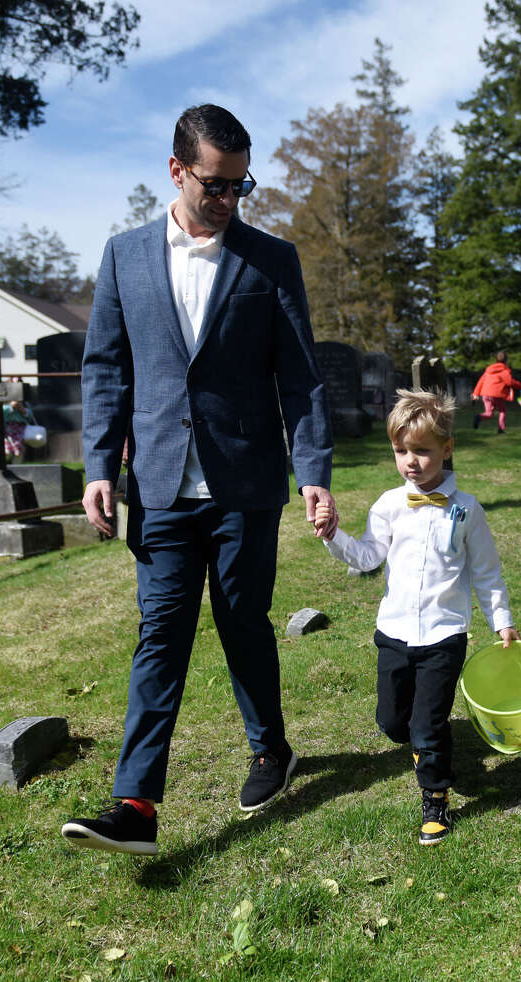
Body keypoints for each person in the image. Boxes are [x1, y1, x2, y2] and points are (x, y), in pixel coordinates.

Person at [61, 104, 337, 856]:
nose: (228, 202)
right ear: (177, 171)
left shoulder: (270, 260)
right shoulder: (124, 256)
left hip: (243, 487)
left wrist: (312, 470)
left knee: (244, 624)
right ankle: (136, 806)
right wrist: (98, 465)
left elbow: (301, 380)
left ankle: (270, 750)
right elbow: (106, 370)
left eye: (240, 188)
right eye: (215, 186)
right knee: (161, 636)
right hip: (156, 487)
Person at [312, 389, 519, 845]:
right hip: (394, 633)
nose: (410, 461)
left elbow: (486, 573)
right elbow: (367, 558)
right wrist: (332, 536)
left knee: (428, 725)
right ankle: (422, 748)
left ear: (446, 449)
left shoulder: (467, 511)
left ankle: (435, 798)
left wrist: (501, 618)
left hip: (445, 636)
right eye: (401, 451)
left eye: (421, 451)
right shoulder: (388, 504)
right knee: (392, 723)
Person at [470, 351, 521, 433]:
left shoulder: (488, 370)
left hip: (485, 394)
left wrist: (475, 394)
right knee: (502, 411)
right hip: (497, 394)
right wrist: (520, 385)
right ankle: (501, 429)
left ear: (496, 360)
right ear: (506, 360)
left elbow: (480, 382)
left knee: (489, 413)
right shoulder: (504, 370)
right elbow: (509, 382)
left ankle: (479, 417)